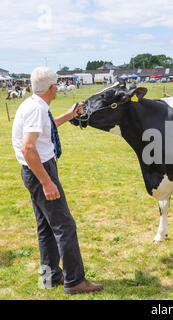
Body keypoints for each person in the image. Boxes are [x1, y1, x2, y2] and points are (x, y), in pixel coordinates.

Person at [12, 67, 103, 294]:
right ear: (53, 88)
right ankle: (75, 281)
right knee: (65, 226)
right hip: (39, 170)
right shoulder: (36, 110)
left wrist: (70, 115)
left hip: (34, 169)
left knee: (46, 228)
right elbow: (28, 147)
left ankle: (50, 277)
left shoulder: (35, 105)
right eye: (57, 85)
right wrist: (46, 182)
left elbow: (46, 129)